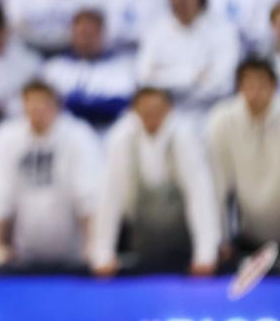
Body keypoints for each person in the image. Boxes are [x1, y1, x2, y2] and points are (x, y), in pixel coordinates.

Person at [91, 87, 221, 275]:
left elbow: (200, 194)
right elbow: (110, 197)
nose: (151, 114)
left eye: (157, 109)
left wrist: (205, 254)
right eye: (145, 109)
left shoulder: (184, 137)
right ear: (134, 110)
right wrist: (103, 253)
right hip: (139, 238)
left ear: (169, 109)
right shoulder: (121, 138)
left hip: (184, 241)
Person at [0, 80, 101, 269]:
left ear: (57, 106)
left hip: (72, 249)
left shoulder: (78, 135)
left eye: (43, 102)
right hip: (23, 249)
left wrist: (94, 245)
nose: (37, 108)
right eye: (31, 102)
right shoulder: (6, 136)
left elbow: (87, 192)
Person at [136, 0, 240, 115]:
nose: (180, 2)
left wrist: (165, 76)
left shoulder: (223, 30)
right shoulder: (156, 30)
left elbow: (223, 85)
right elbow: (144, 78)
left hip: (209, 112)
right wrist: (192, 75)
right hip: (166, 115)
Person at [206, 58, 280, 253]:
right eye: (249, 85)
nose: (255, 93)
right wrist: (219, 239)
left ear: (273, 85)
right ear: (238, 87)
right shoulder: (222, 121)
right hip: (246, 235)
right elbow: (218, 186)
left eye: (261, 85)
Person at [43, 9, 136, 131]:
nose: (86, 38)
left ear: (102, 33)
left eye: (91, 33)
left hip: (107, 132)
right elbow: (46, 107)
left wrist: (75, 104)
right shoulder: (54, 67)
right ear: (72, 33)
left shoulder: (122, 66)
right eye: (81, 33)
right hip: (64, 135)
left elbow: (121, 105)